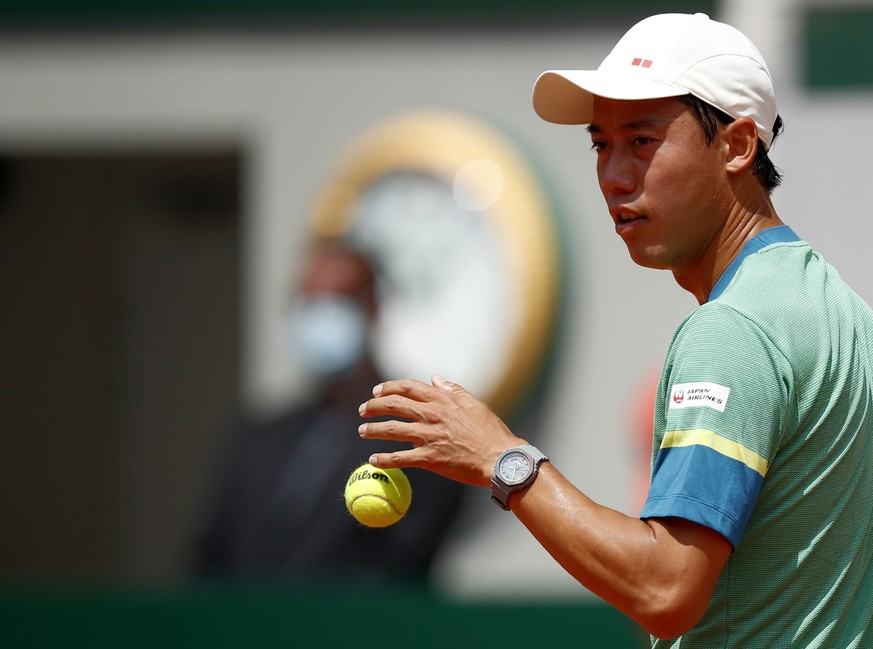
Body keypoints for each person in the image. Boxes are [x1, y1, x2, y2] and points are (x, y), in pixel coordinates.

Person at [356, 12, 872, 647]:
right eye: (602, 144)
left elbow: (665, 589)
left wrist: (503, 460)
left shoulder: (731, 330)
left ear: (738, 146)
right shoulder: (838, 308)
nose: (614, 176)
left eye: (643, 142)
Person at [197, 241, 467, 584]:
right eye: (310, 301)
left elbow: (403, 566)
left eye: (338, 299)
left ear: (372, 309)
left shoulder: (417, 437)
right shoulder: (256, 437)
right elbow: (208, 560)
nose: (321, 315)